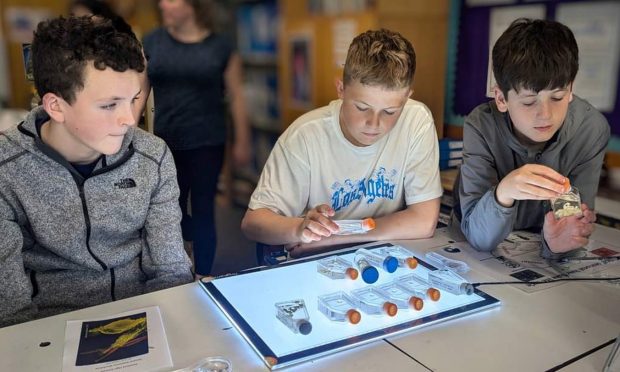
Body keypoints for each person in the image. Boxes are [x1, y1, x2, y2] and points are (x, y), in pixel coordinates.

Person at [0, 16, 193, 328]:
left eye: (133, 100)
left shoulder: (152, 156)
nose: (129, 119)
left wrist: (166, 330)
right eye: (109, 105)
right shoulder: (6, 171)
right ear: (56, 106)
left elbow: (170, 271)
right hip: (48, 328)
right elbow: (8, 310)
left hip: (142, 317)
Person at [242, 29, 443, 259]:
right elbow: (253, 222)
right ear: (341, 90)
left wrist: (336, 239)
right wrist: (299, 229)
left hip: (382, 256)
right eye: (362, 107)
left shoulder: (417, 120)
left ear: (407, 98)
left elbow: (424, 221)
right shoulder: (304, 136)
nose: (374, 124)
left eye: (389, 111)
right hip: (315, 263)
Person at [452, 18, 610, 258]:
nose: (545, 114)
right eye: (528, 101)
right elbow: (479, 236)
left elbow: (572, 226)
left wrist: (559, 245)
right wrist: (503, 192)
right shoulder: (481, 125)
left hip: (535, 256)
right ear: (501, 98)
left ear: (570, 89)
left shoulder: (590, 129)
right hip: (477, 246)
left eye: (557, 97)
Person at [143, 0, 251, 278]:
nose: (163, 4)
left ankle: (203, 274)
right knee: (169, 211)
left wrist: (243, 139)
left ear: (193, 5)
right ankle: (175, 271)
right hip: (164, 142)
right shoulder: (153, 42)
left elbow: (236, 95)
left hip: (207, 141)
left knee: (204, 209)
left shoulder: (220, 47)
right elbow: (139, 92)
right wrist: (129, 134)